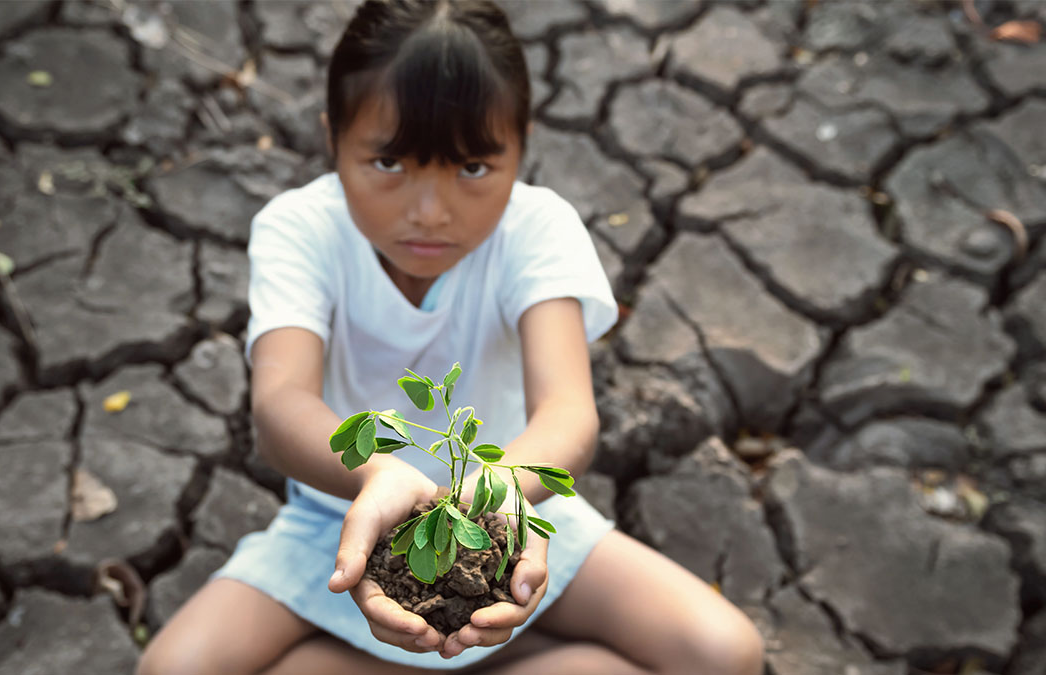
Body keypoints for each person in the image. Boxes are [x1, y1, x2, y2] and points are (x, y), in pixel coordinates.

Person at [138, 1, 764, 673]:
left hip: (505, 508)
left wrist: (499, 497)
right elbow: (279, 404)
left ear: (521, 147)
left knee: (723, 652)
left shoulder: (536, 230)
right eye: (388, 163)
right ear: (333, 138)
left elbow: (567, 411)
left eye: (471, 169)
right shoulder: (300, 229)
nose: (430, 212)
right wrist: (378, 474)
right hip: (343, 517)